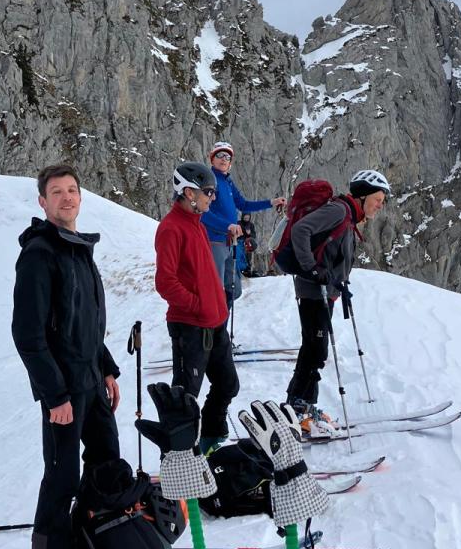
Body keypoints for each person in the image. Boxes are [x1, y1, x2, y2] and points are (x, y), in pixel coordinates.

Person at [11, 163, 121, 549]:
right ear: (43, 202)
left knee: (106, 464)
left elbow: (87, 323)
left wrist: (106, 368)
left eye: (72, 190)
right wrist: (54, 395)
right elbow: (28, 335)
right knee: (61, 480)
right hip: (64, 392)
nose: (66, 197)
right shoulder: (40, 254)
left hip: (91, 381)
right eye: (56, 192)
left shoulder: (78, 249)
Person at [285, 169, 391, 437]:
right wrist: (312, 269)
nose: (380, 205)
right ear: (363, 195)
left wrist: (337, 280)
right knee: (316, 351)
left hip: (324, 290)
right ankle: (301, 409)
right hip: (314, 290)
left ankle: (298, 406)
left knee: (312, 349)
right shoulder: (339, 211)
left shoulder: (348, 215)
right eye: (378, 199)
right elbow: (300, 230)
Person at [154, 161, 240, 453]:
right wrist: (198, 306)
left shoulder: (197, 225)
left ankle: (210, 441)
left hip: (214, 322)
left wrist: (214, 305)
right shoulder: (171, 228)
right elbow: (165, 282)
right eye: (208, 192)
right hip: (190, 326)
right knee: (185, 398)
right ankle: (178, 457)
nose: (212, 198)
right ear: (189, 192)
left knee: (227, 385)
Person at [202, 141, 286, 306]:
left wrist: (272, 202)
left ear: (230, 163)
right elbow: (203, 214)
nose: (224, 159)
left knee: (234, 290)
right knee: (214, 290)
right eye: (219, 155)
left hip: (230, 243)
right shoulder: (209, 180)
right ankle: (213, 321)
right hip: (214, 241)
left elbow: (244, 204)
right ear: (212, 159)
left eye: (228, 157)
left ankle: (220, 320)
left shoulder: (227, 182)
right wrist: (227, 226)